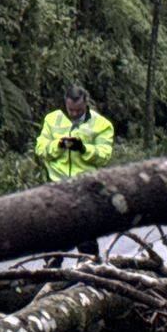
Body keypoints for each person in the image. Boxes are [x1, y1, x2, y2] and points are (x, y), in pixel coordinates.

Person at [33, 82, 114, 259]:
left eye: (78, 110)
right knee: (54, 236)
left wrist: (83, 149)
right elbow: (40, 149)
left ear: (86, 104)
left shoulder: (101, 124)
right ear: (66, 103)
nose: (75, 114)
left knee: (86, 238)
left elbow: (104, 156)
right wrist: (59, 145)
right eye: (71, 110)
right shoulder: (52, 120)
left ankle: (90, 270)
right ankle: (52, 271)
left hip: (85, 187)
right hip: (57, 186)